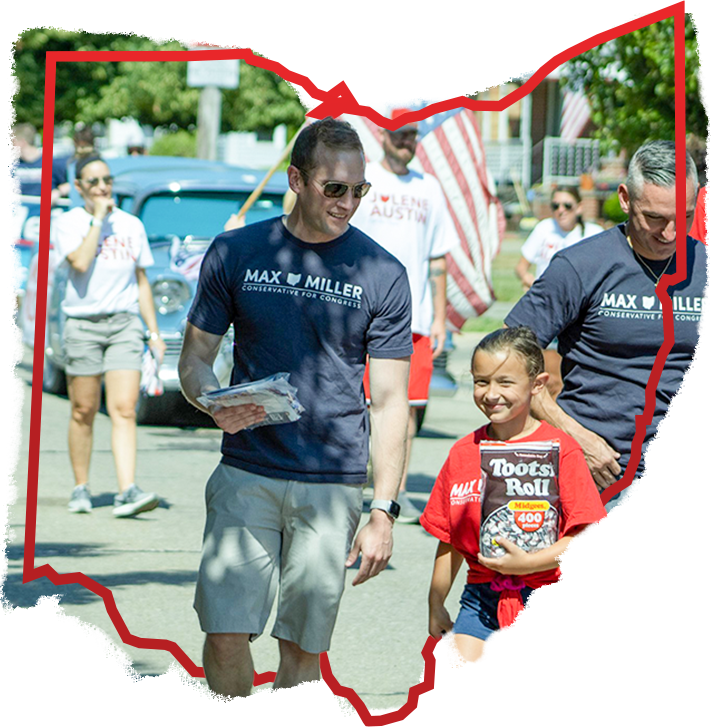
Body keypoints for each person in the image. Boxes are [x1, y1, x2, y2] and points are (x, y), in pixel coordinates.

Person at [177, 117, 413, 703]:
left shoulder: (384, 274)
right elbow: (195, 359)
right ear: (296, 180)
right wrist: (210, 400)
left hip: (331, 484)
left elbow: (388, 403)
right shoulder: (237, 250)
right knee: (225, 631)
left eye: (359, 190)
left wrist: (383, 509)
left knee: (303, 647)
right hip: (247, 470)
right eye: (335, 188)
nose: (349, 203)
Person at [504, 140, 710, 492]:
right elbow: (505, 360)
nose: (670, 233)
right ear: (625, 198)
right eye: (655, 218)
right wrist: (572, 434)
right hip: (596, 471)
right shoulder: (581, 265)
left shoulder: (705, 267)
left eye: (685, 217)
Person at [421, 327, 608, 694]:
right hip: (479, 601)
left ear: (537, 384)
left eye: (505, 382)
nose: (491, 394)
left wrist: (529, 563)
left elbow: (587, 539)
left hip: (551, 603)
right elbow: (449, 538)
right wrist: (436, 602)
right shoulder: (463, 453)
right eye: (481, 381)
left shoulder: (562, 450)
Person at [353, 108, 458, 523]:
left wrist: (439, 318)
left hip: (414, 319)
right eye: (400, 134)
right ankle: (351, 480)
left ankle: (394, 491)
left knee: (407, 407)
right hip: (362, 312)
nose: (406, 142)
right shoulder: (364, 182)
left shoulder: (429, 188)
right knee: (358, 404)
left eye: (413, 135)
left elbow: (437, 258)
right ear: (383, 134)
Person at [54, 156, 166, 517]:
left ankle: (126, 489)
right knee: (84, 409)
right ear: (80, 188)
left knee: (124, 409)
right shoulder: (68, 223)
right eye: (94, 181)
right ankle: (81, 487)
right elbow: (81, 263)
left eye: (107, 179)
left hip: (123, 324)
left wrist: (153, 332)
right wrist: (98, 220)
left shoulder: (131, 225)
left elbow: (141, 281)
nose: (103, 186)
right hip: (83, 325)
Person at [514, 186, 604, 399]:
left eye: (567, 206)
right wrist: (534, 284)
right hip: (548, 311)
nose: (560, 211)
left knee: (566, 378)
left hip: (578, 314)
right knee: (545, 377)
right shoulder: (545, 229)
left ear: (579, 208)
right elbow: (521, 267)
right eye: (555, 206)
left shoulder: (592, 234)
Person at [8, 122, 66, 204]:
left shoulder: (52, 164)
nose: (11, 148)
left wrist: (58, 192)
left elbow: (72, 184)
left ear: (22, 142)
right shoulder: (13, 167)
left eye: (12, 143)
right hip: (21, 214)